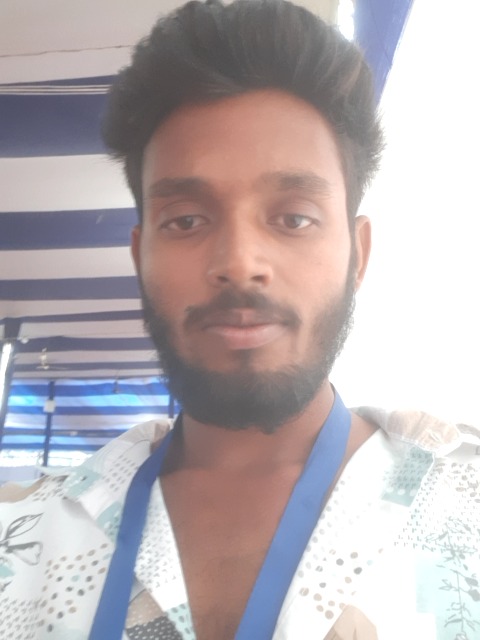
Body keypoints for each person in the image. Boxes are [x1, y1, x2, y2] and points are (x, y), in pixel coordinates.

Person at [1, 1, 479, 638]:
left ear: (358, 255)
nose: (239, 262)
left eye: (294, 217)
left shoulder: (465, 507)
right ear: (140, 257)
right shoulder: (21, 538)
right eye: (186, 220)